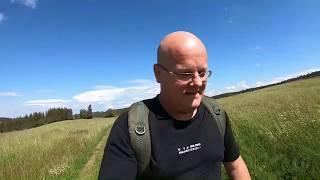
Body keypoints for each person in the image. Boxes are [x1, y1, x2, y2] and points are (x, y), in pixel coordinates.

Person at [99, 31, 251, 179]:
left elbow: (235, 164)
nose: (198, 82)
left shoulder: (216, 114)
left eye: (202, 72)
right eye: (185, 74)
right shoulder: (131, 128)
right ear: (158, 73)